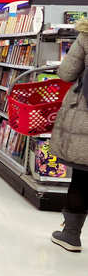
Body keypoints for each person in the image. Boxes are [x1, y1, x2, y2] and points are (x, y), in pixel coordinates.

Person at [50, 18, 88, 252]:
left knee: (82, 179)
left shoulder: (86, 35)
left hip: (85, 116)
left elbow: (66, 73)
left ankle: (71, 235)